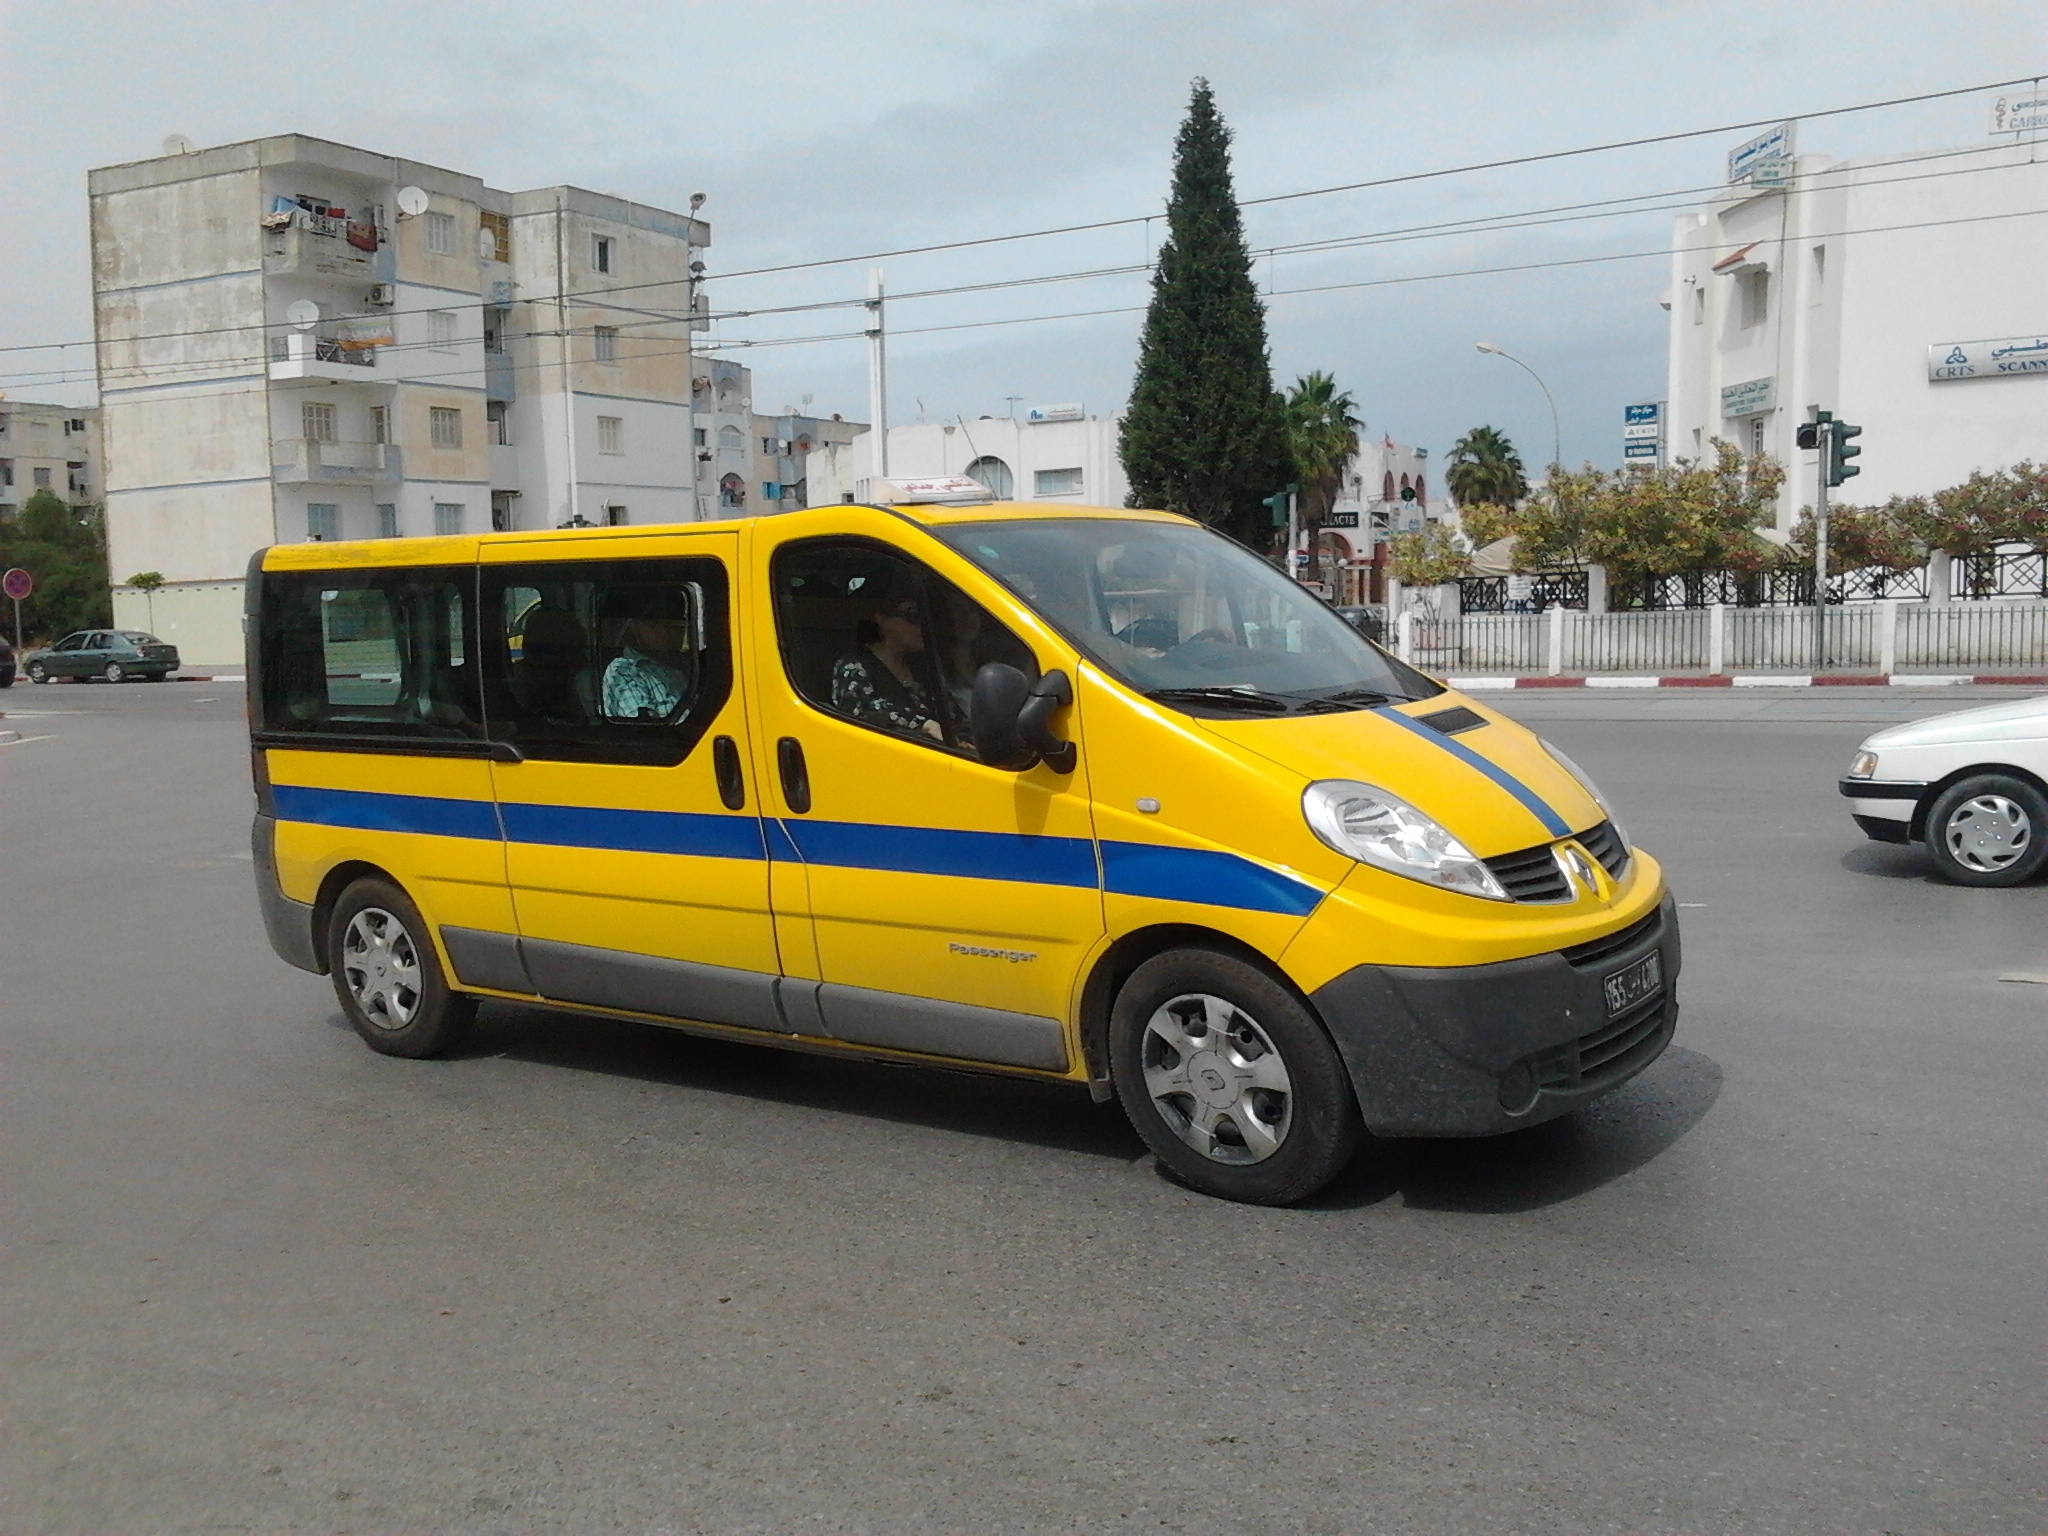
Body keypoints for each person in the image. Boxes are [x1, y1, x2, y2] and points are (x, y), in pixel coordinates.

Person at [832, 591, 943, 741]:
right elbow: (863, 718)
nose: (923, 625)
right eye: (914, 615)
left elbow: (950, 712)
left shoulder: (922, 666)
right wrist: (923, 725)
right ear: (883, 620)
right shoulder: (853, 668)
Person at [601, 593, 693, 721]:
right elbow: (643, 732)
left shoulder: (687, 665)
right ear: (636, 627)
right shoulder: (626, 671)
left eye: (675, 625)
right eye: (654, 624)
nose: (664, 632)